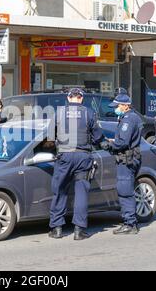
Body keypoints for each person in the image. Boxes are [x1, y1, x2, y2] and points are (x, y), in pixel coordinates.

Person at [49, 88, 104, 241]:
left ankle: (57, 228)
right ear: (81, 98)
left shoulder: (59, 113)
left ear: (68, 98)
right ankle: (79, 231)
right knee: (81, 193)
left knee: (60, 190)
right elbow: (98, 136)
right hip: (82, 156)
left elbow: (49, 137)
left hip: (64, 156)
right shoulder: (88, 113)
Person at [107, 93, 143, 235]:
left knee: (125, 191)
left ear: (125, 106)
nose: (116, 108)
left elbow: (123, 142)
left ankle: (130, 223)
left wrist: (110, 144)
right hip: (127, 157)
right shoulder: (128, 117)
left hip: (127, 159)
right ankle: (129, 221)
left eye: (117, 106)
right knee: (124, 189)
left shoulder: (129, 119)